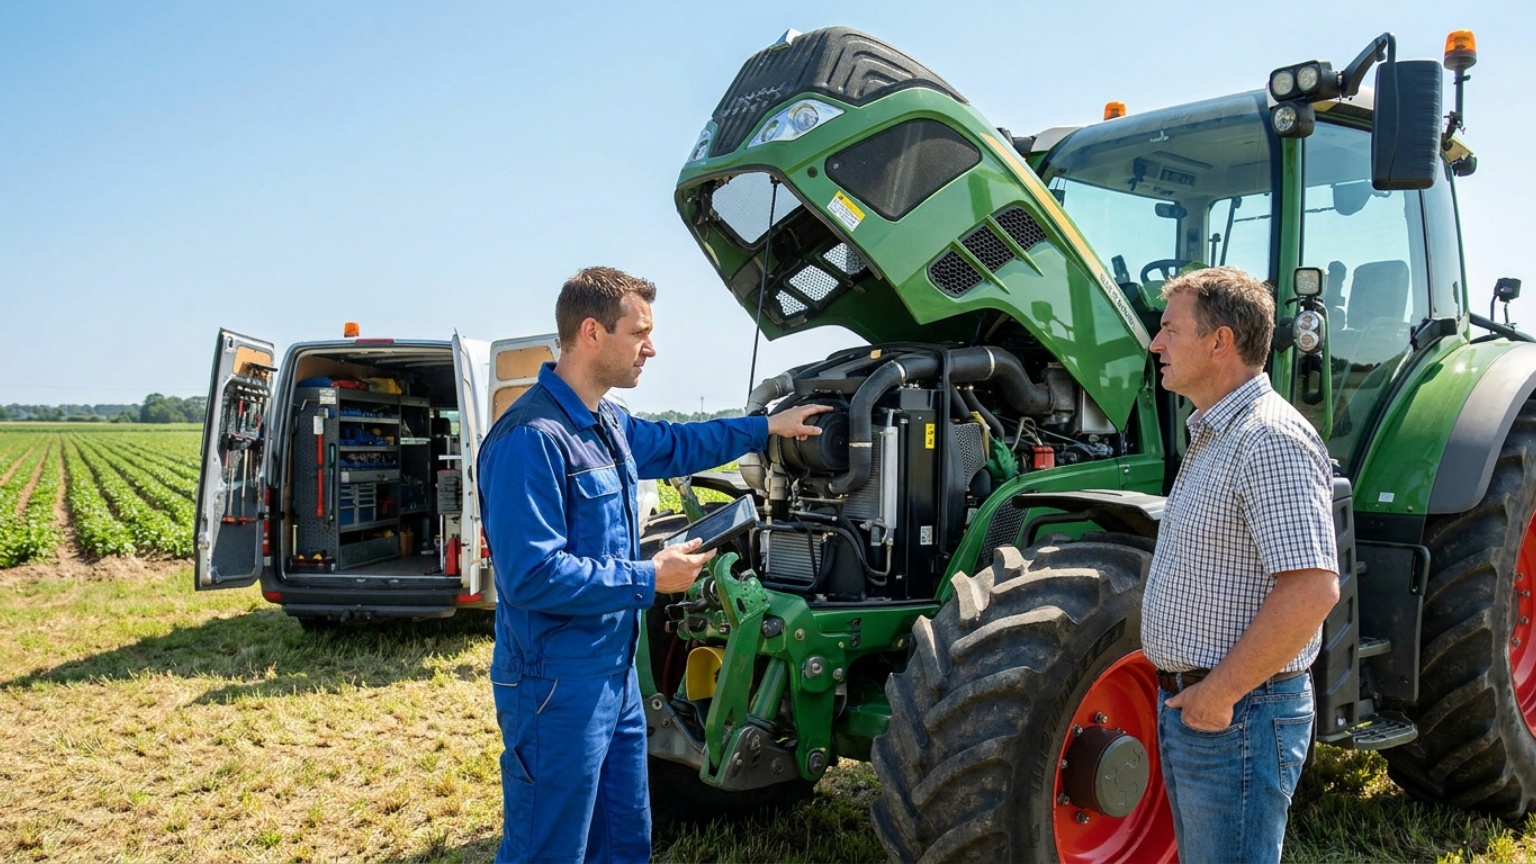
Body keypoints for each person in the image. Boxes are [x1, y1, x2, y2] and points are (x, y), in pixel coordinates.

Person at [477, 266, 830, 863]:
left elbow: (676, 444)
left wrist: (766, 427)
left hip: (616, 678)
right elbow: (531, 575)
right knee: (549, 847)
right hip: (555, 685)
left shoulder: (607, 422)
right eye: (639, 331)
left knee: (622, 842)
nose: (652, 346)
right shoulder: (530, 439)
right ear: (591, 331)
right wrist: (650, 578)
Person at [1141, 266, 1341, 864]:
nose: (1156, 344)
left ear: (1219, 341)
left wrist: (1218, 694)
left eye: (1169, 329)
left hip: (1240, 715)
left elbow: (1312, 589)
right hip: (1202, 708)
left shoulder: (1269, 439)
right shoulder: (1215, 434)